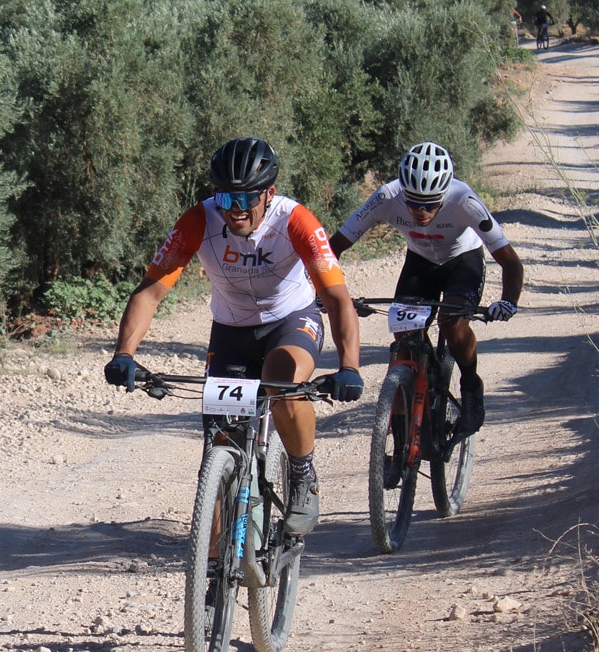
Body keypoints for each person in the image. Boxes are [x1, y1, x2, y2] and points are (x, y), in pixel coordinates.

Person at [103, 138, 364, 536]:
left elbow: (338, 299)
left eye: (247, 198)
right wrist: (124, 353)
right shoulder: (198, 221)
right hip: (231, 329)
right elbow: (151, 290)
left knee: (282, 380)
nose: (236, 209)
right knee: (220, 439)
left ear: (269, 193)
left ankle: (302, 473)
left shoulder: (296, 221)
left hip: (291, 319)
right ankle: (213, 571)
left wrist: (349, 367)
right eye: (226, 197)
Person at [330, 142, 523, 436]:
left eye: (431, 203)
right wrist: (325, 291)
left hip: (462, 262)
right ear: (402, 192)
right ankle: (403, 425)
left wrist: (508, 301)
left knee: (452, 325)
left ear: (444, 194)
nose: (421, 211)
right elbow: (334, 247)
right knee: (405, 338)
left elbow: (510, 261)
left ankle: (471, 385)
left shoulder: (464, 200)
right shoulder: (386, 196)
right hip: (420, 261)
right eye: (414, 202)